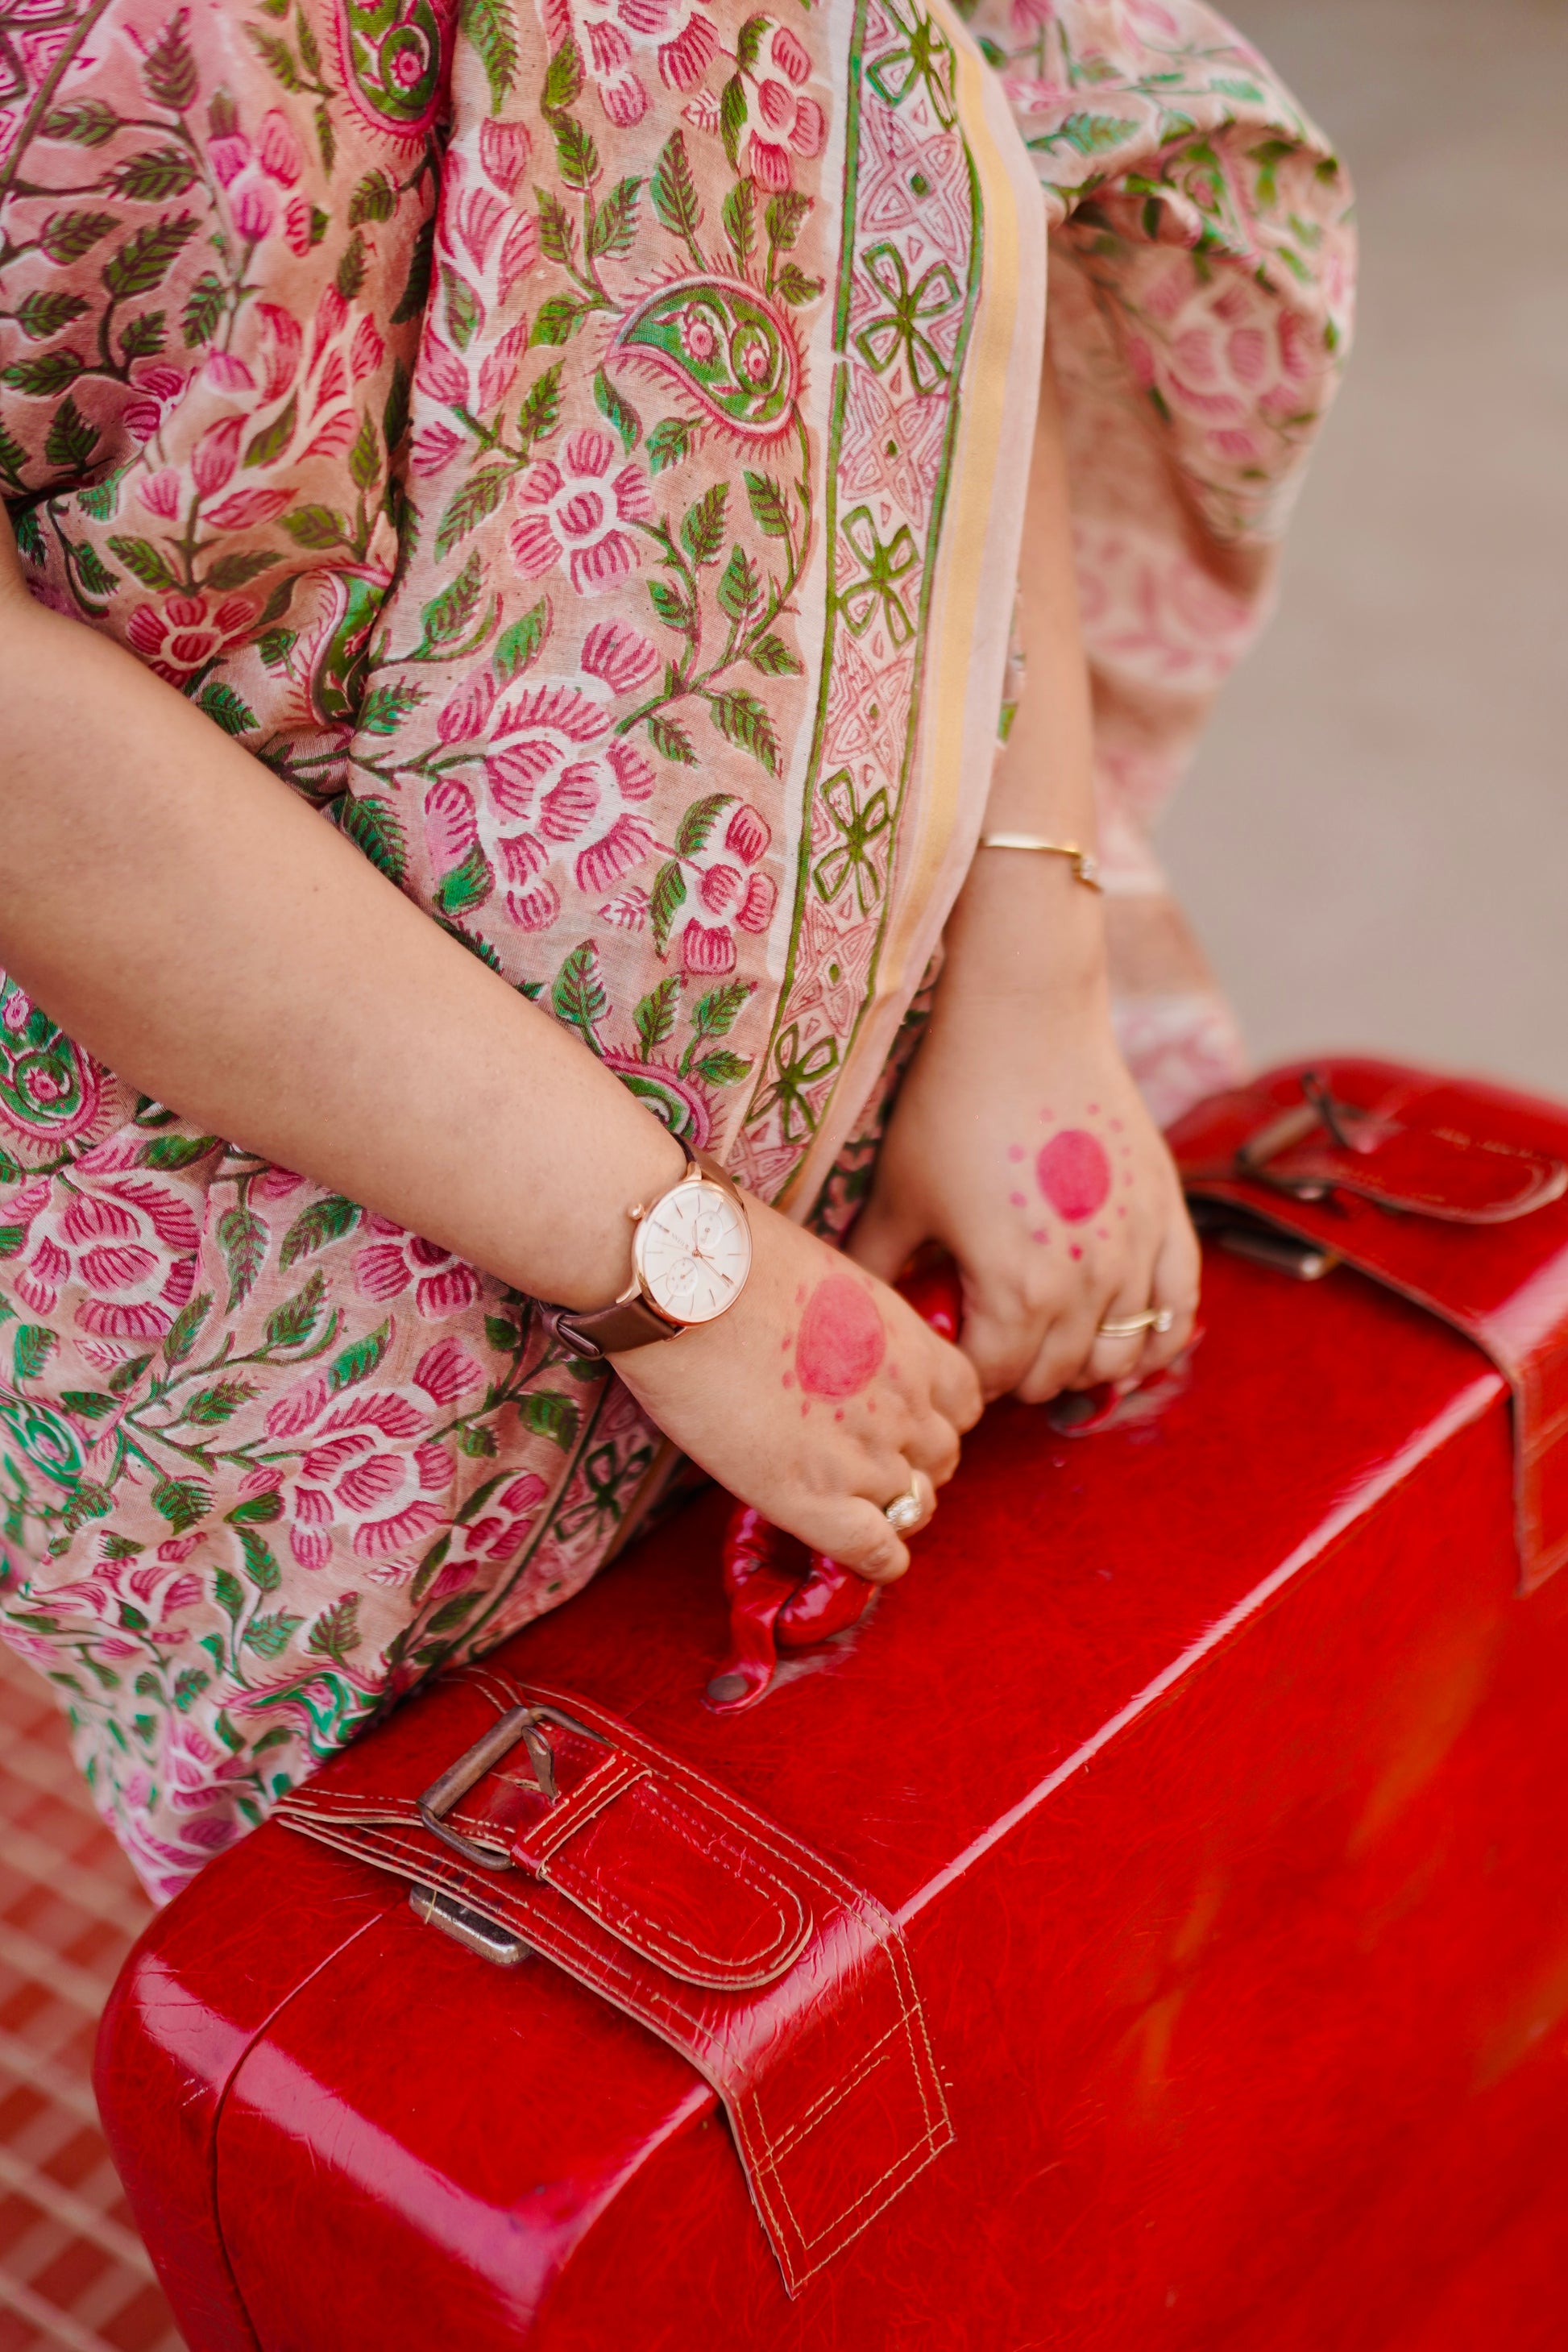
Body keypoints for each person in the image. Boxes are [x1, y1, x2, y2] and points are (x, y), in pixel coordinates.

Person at [0, 0, 1352, 1899]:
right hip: (341, 1304)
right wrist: (682, 1277)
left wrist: (1036, 984)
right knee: (506, 2026)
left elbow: (956, 140)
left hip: (941, 1039)